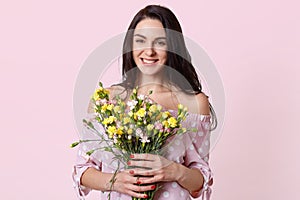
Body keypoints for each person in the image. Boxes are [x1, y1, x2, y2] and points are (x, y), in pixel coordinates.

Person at [73, 5, 216, 200]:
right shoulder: (106, 101)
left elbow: (200, 179)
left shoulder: (194, 103)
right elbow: (83, 171)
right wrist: (116, 181)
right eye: (140, 41)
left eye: (160, 42)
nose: (149, 51)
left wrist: (174, 170)